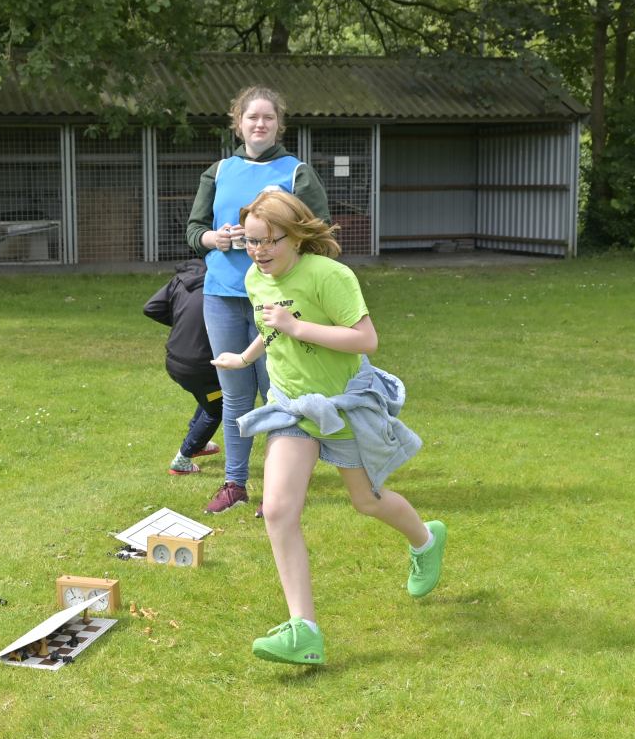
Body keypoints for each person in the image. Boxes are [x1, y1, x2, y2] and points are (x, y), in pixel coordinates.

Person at [212, 189, 446, 666]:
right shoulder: (256, 278)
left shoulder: (330, 276)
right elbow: (270, 326)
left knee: (366, 501)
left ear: (296, 236)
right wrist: (246, 357)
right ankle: (305, 631)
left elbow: (365, 339)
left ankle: (425, 540)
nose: (258, 251)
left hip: (343, 408)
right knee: (278, 510)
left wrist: (298, 328)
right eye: (251, 241)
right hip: (292, 408)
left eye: (269, 240)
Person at [186, 86, 330, 514]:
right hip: (222, 296)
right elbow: (194, 230)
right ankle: (234, 484)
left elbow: (319, 234)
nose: (260, 124)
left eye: (268, 117)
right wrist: (213, 238)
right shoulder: (219, 172)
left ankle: (278, 491)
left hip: (276, 301)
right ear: (238, 122)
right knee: (234, 395)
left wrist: (288, 266)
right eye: (252, 117)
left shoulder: (296, 172)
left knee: (277, 394)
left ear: (279, 124)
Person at [143, 258, 223, 475]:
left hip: (174, 360)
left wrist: (181, 322)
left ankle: (198, 441)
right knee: (218, 407)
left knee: (211, 394)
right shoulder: (222, 283)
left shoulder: (182, 278)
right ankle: (183, 459)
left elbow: (151, 307)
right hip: (199, 367)